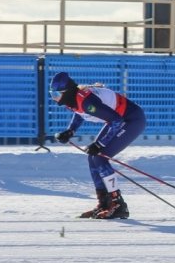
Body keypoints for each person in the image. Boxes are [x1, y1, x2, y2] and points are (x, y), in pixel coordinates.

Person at [50, 71, 148, 219]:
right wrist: (70, 131)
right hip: (119, 120)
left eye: (57, 95)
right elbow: (79, 112)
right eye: (52, 95)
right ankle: (105, 202)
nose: (55, 99)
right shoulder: (72, 99)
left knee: (100, 158)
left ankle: (118, 204)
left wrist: (99, 144)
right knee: (93, 157)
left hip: (131, 120)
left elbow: (116, 121)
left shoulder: (87, 102)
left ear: (67, 92)